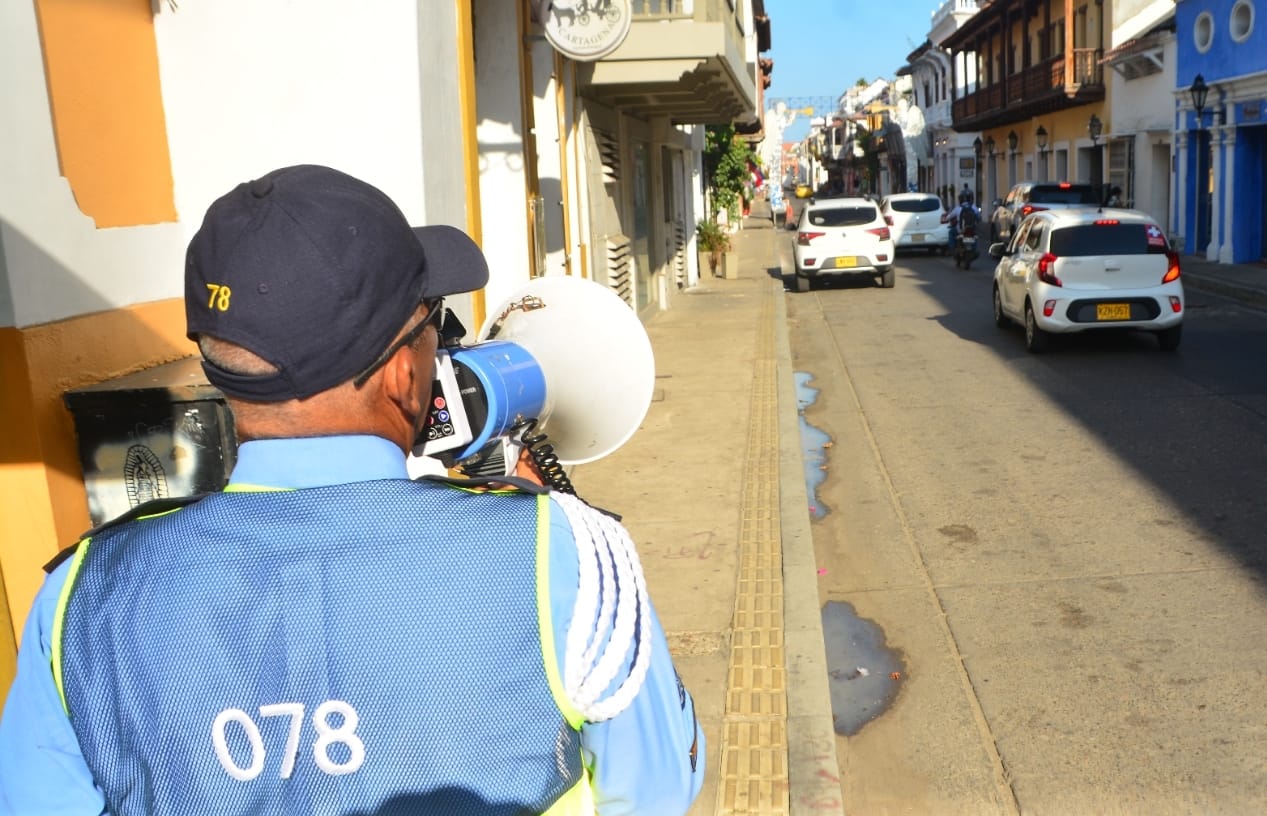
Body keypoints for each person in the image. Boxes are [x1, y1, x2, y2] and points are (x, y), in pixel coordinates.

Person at [0, 164, 704, 815]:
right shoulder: (569, 559)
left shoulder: (78, 602)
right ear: (402, 374)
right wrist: (545, 522)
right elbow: (658, 789)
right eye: (435, 324)